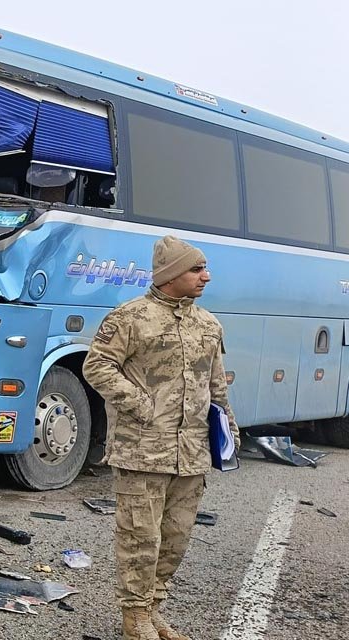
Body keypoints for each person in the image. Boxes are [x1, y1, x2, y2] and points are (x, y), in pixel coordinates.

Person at [82, 235, 237, 640]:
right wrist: (140, 403)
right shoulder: (129, 318)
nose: (206, 276)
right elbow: (97, 366)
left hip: (192, 453)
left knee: (176, 537)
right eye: (196, 269)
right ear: (171, 275)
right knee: (140, 537)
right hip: (142, 450)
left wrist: (229, 431)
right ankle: (134, 617)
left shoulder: (208, 324)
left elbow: (216, 385)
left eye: (204, 268)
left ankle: (153, 608)